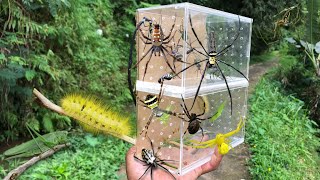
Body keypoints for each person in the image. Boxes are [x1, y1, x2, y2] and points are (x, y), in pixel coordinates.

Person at [126, 145, 223, 180]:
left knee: (163, 164)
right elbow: (162, 162)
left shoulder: (151, 165)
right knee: (163, 165)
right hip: (148, 156)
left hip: (149, 158)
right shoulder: (155, 163)